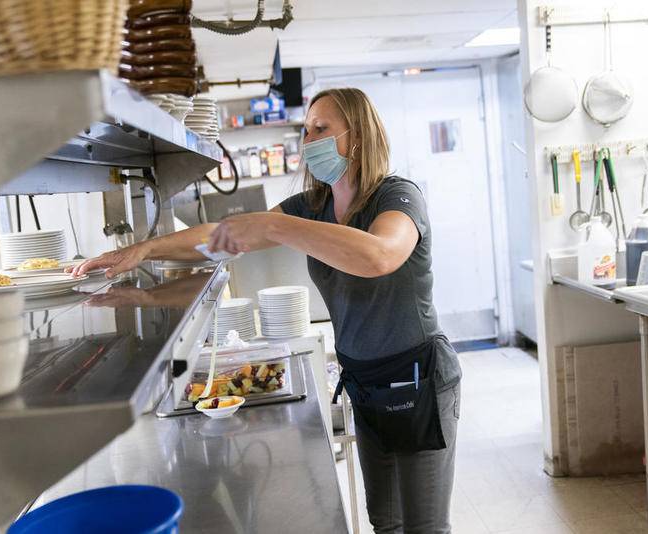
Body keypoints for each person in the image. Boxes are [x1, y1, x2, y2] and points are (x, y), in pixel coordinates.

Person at [72, 87, 462, 533]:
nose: (308, 140)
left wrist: (277, 225)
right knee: (386, 523)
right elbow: (222, 235)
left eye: (321, 129)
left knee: (425, 528)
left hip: (419, 378)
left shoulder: (397, 197)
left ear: (357, 138)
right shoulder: (312, 207)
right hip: (366, 384)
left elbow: (379, 256)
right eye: (305, 130)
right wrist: (142, 252)